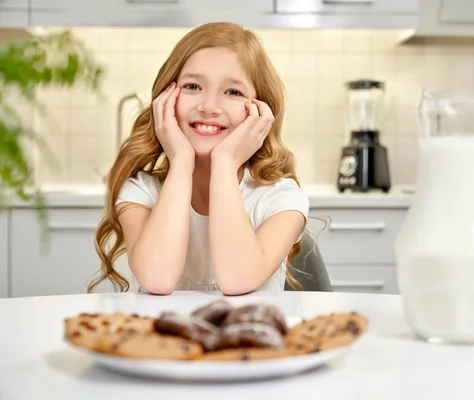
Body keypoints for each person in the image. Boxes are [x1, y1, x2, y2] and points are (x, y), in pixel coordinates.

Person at [87, 22, 311, 296]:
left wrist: (226, 164)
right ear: (165, 99)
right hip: (168, 338)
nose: (209, 107)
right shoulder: (141, 192)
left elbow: (237, 281)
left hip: (250, 339)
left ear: (260, 111)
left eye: (233, 92)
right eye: (193, 86)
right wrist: (181, 161)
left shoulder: (280, 198)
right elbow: (157, 279)